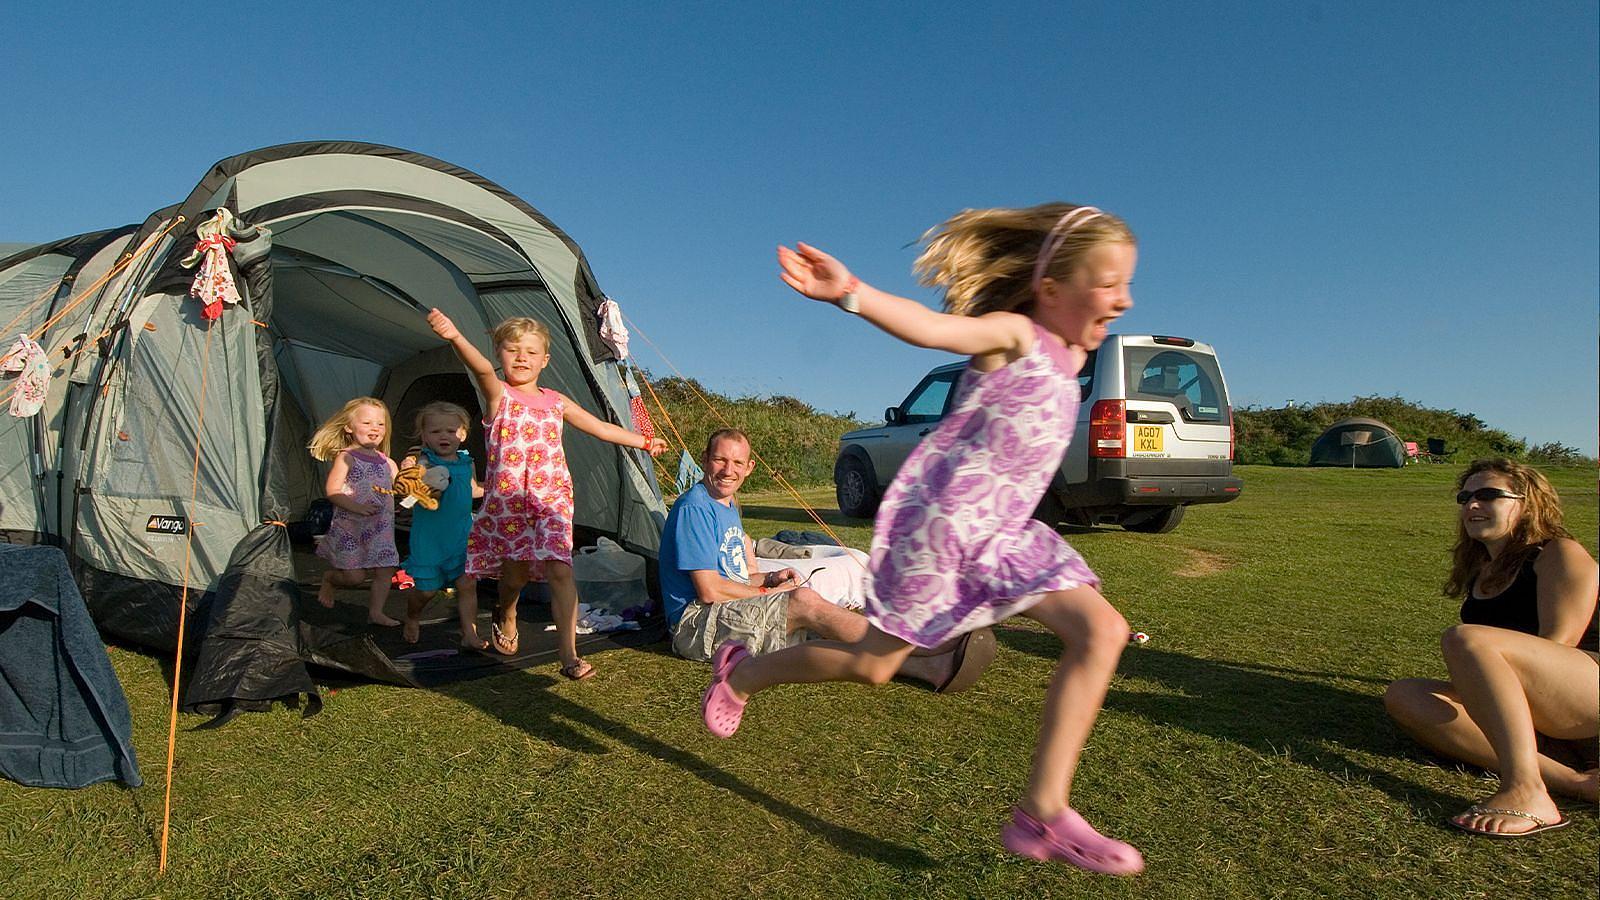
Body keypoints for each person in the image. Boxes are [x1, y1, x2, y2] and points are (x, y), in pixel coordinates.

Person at [700, 203, 1144, 875]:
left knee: (1102, 632)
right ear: (1052, 285)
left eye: (1127, 282)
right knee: (875, 664)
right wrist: (851, 293)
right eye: (1109, 281)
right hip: (937, 533)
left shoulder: (1072, 360)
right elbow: (934, 328)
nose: (1125, 297)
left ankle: (1041, 813)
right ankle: (744, 671)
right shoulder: (1015, 334)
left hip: (1001, 536)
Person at [427, 309, 668, 680]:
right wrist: (455, 335)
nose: (521, 357)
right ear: (500, 355)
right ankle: (506, 610)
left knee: (560, 570)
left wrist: (644, 441)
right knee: (516, 577)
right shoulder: (499, 396)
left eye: (530, 351)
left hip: (552, 500)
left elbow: (600, 428)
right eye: (512, 350)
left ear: (545, 360)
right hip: (509, 503)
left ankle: (569, 655)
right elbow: (479, 370)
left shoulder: (556, 401)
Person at [660, 428, 996, 692]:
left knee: (815, 623)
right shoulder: (695, 507)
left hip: (720, 615)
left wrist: (768, 580)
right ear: (705, 459)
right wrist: (771, 596)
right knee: (804, 602)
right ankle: (919, 645)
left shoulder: (727, 505)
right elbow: (709, 590)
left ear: (750, 467)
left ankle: (929, 668)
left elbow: (731, 577)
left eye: (736, 463)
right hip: (694, 626)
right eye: (720, 460)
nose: (727, 470)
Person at [1384, 458, 1598, 837]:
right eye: (1465, 497)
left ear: (1527, 503)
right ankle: (1575, 782)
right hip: (1547, 710)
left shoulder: (1557, 553)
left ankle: (1527, 791)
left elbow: (1558, 646)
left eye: (1488, 495)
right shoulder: (1482, 570)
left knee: (1466, 638)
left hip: (1584, 693)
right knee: (1405, 695)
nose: (1471, 505)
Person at [398, 402, 486, 647]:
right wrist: (410, 470)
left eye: (451, 431)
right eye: (436, 432)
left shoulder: (467, 462)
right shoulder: (424, 461)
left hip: (460, 535)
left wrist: (496, 486)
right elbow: (413, 484)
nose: (444, 436)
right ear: (424, 436)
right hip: (430, 539)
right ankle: (413, 615)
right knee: (426, 590)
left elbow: (472, 490)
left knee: (467, 584)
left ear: (463, 434)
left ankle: (470, 635)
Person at [308, 397, 401, 626]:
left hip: (380, 529)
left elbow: (398, 489)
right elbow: (332, 490)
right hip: (352, 528)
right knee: (354, 577)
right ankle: (330, 579)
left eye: (380, 424)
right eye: (367, 423)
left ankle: (376, 612)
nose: (375, 429)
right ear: (349, 427)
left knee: (385, 570)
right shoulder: (347, 457)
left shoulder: (387, 463)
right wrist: (357, 508)